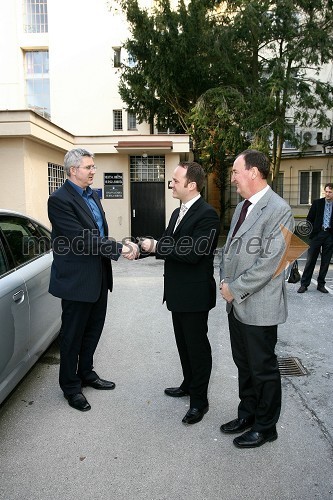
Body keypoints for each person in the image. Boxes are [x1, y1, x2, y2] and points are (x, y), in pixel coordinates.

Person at [48, 148, 139, 412]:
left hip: (99, 275)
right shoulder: (59, 200)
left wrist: (115, 247)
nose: (93, 171)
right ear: (73, 170)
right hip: (76, 281)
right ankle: (70, 386)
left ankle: (86, 373)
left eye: (93, 167)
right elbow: (80, 238)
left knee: (93, 330)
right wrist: (119, 248)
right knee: (72, 335)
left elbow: (98, 232)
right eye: (88, 167)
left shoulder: (92, 196)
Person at [219, 149, 294, 448]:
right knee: (244, 364)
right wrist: (225, 280)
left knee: (263, 369)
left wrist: (234, 288)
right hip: (236, 304)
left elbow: (271, 263)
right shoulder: (241, 208)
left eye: (236, 171)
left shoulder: (280, 209)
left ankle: (266, 426)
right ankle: (247, 413)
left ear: (253, 172)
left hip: (260, 306)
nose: (233, 177)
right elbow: (230, 251)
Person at [141, 161, 220, 425]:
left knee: (197, 349)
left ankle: (200, 402)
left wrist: (156, 246)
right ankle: (188, 384)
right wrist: (140, 249)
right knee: (183, 345)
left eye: (175, 180)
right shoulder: (178, 213)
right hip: (177, 294)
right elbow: (166, 243)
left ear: (192, 184)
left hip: (195, 296)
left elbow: (193, 252)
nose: (171, 184)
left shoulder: (207, 214)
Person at [297, 183, 333, 294]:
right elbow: (309, 219)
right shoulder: (317, 203)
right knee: (310, 260)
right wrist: (313, 232)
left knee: (325, 262)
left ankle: (321, 285)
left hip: (330, 235)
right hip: (317, 234)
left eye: (330, 192)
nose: (327, 194)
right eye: (326, 191)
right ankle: (304, 284)